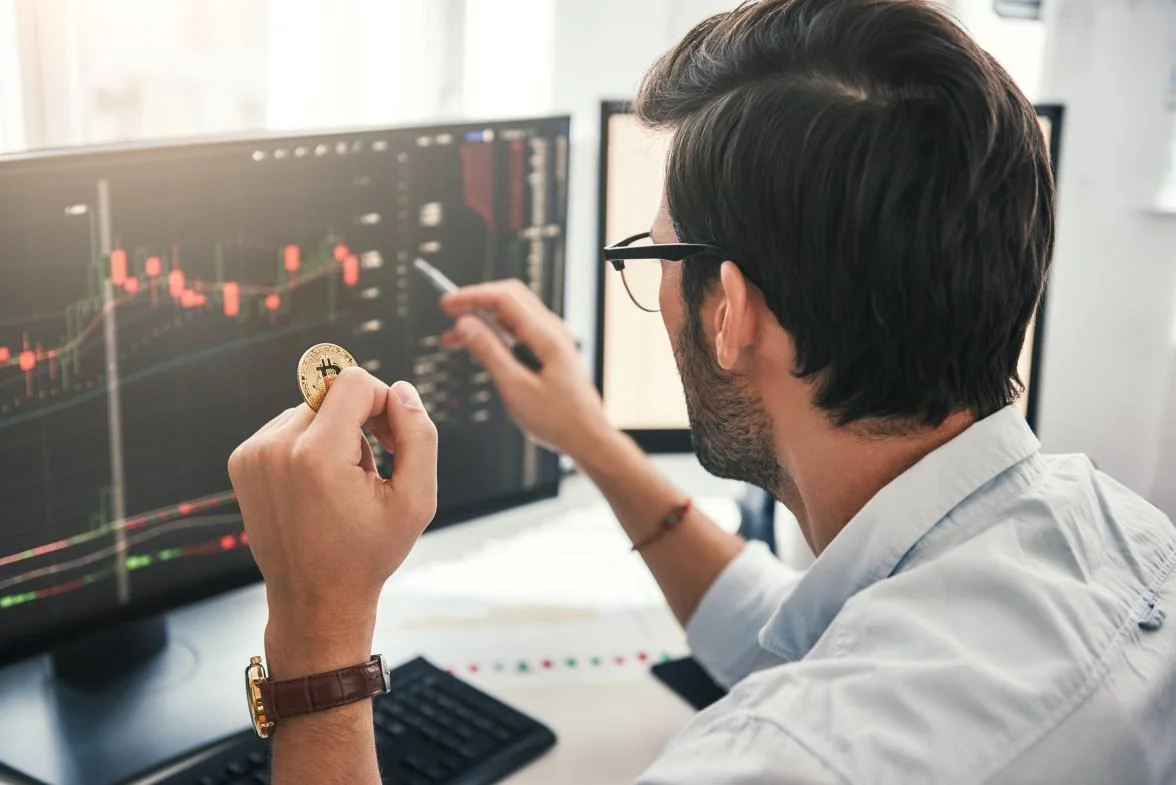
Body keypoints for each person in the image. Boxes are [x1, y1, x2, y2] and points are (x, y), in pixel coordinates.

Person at [227, 0, 1176, 782]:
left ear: (729, 309)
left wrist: (318, 633)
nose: (658, 293)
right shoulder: (1122, 535)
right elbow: (793, 639)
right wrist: (591, 439)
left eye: (659, 255)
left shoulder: (779, 761)